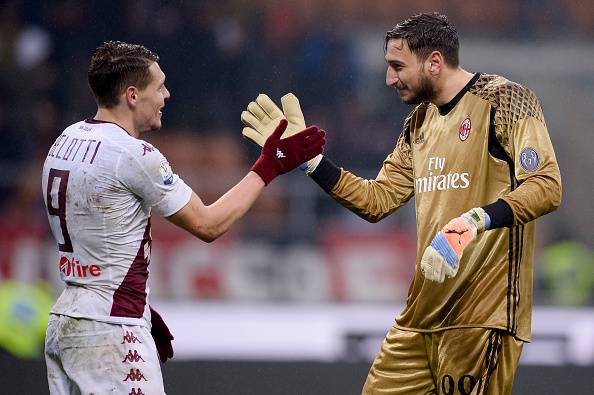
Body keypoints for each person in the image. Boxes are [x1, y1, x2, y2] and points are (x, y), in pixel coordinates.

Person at [241, 12, 561, 395]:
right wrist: (312, 162)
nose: (388, 79)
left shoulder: (504, 100)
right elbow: (377, 200)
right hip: (418, 321)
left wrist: (473, 221)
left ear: (435, 62)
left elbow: (545, 185)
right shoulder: (419, 123)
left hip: (480, 317)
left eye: (397, 66)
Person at [41, 41, 324, 395]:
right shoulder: (133, 154)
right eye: (158, 86)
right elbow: (208, 224)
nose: (167, 94)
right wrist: (271, 163)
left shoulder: (65, 140)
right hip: (111, 327)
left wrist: (137, 304)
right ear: (132, 95)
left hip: (67, 321)